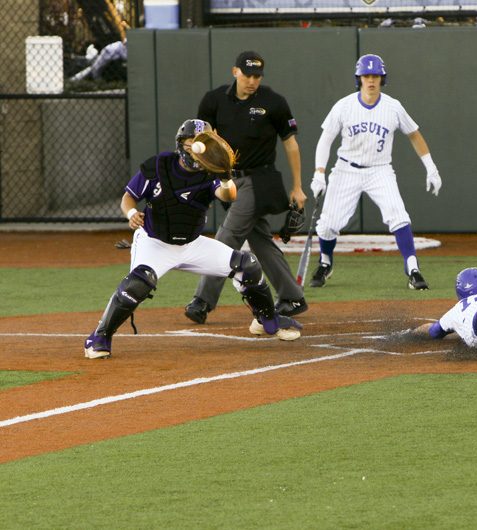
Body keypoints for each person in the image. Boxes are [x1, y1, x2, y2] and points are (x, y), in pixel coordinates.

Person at [84, 120, 302, 359]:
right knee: (138, 283)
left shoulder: (212, 170)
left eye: (201, 145)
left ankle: (265, 319)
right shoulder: (158, 166)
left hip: (192, 244)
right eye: (190, 145)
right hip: (154, 241)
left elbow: (227, 196)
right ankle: (100, 336)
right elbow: (128, 198)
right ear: (180, 145)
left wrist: (227, 177)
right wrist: (132, 213)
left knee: (247, 265)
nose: (194, 150)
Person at [184, 51, 308, 324]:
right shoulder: (214, 100)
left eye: (257, 76)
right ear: (235, 72)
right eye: (247, 74)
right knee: (261, 241)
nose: (252, 81)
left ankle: (202, 301)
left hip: (258, 181)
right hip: (229, 180)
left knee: (227, 237)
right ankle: (292, 296)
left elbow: (290, 144)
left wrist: (297, 187)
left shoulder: (273, 102)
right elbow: (201, 141)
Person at [308, 54, 441, 290]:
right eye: (366, 76)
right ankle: (325, 263)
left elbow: (414, 134)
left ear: (382, 78)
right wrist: (319, 172)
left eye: (376, 76)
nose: (371, 80)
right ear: (359, 78)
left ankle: (413, 269)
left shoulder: (393, 106)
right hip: (346, 169)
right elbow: (325, 140)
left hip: (380, 170)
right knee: (328, 224)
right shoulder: (344, 105)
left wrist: (430, 166)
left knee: (398, 215)